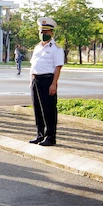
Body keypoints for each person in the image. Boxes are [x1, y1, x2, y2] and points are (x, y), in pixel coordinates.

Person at [29, 17, 64, 146]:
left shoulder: (56, 48)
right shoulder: (37, 47)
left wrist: (54, 84)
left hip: (48, 80)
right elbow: (33, 65)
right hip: (35, 80)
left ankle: (50, 136)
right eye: (41, 31)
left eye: (46, 32)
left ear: (51, 33)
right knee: (37, 109)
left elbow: (58, 67)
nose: (43, 34)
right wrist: (31, 81)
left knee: (48, 110)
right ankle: (40, 134)